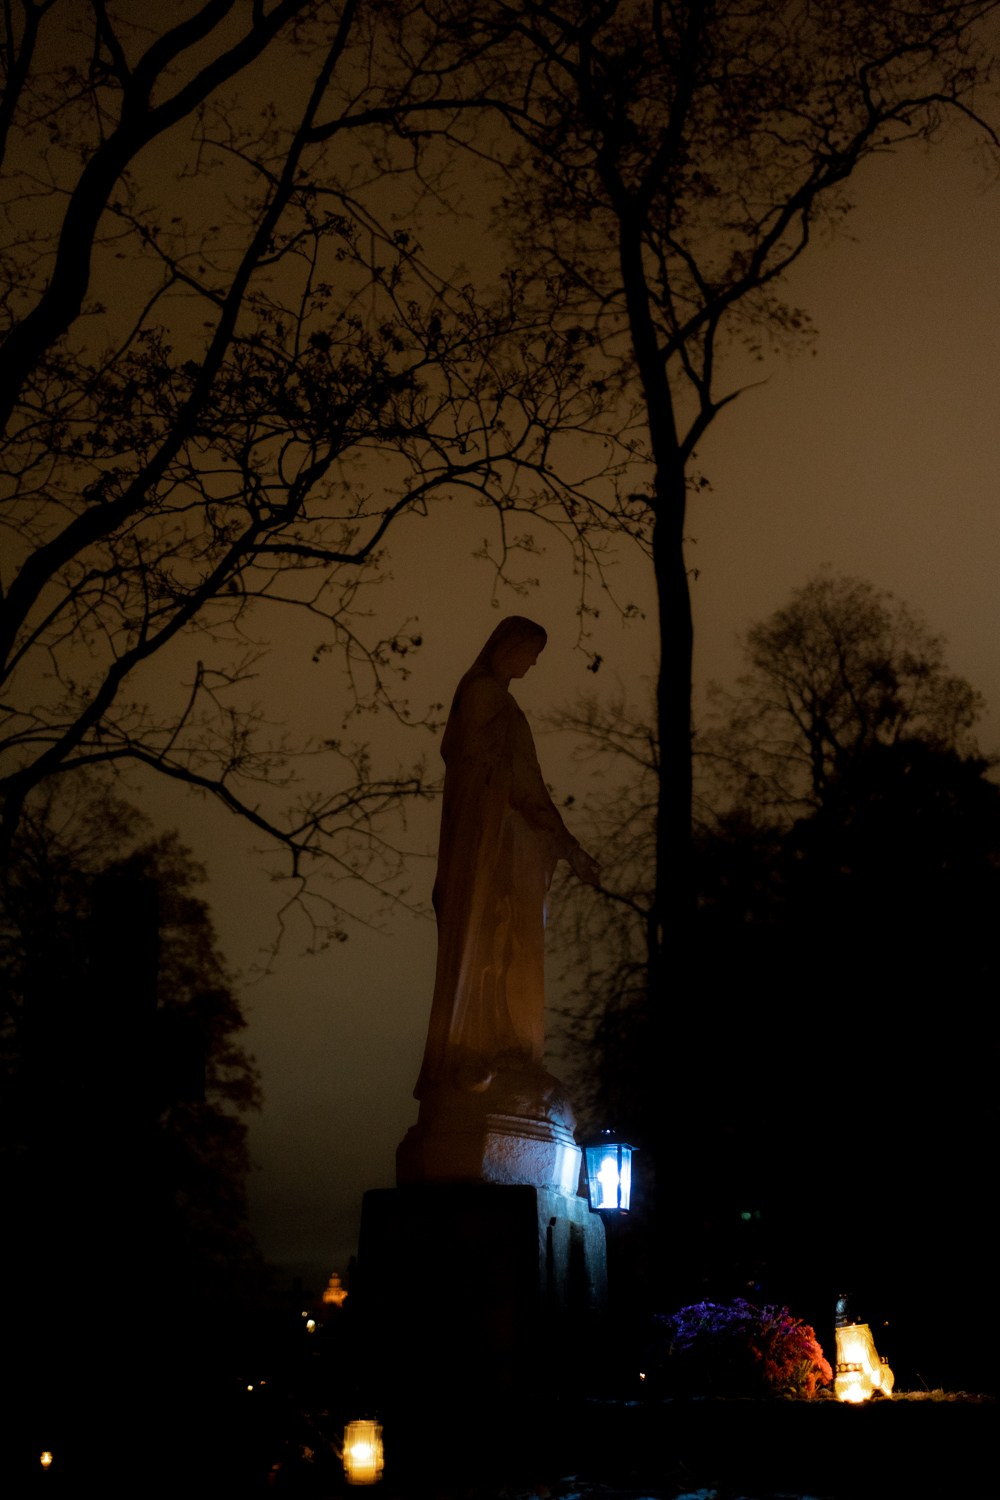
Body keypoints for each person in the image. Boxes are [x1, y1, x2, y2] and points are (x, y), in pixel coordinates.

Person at [414, 616, 599, 1101]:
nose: (533, 663)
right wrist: (564, 843)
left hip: (504, 843)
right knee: (493, 944)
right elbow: (510, 781)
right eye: (531, 652)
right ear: (509, 647)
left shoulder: (492, 699)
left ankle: (503, 1050)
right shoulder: (486, 696)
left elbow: (522, 781)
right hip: (492, 847)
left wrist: (565, 844)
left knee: (503, 946)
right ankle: (486, 1050)